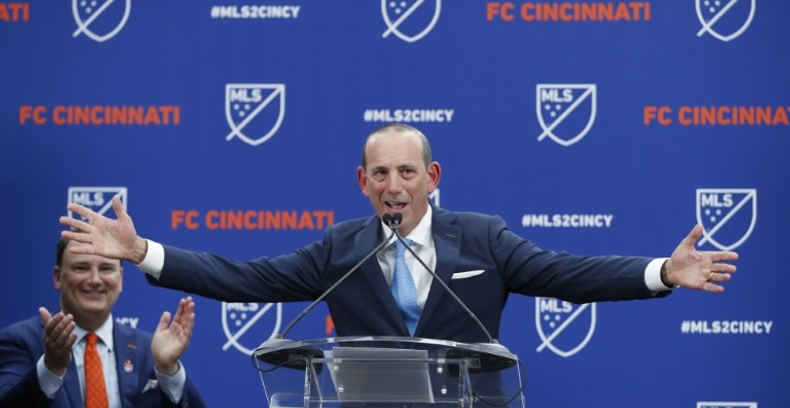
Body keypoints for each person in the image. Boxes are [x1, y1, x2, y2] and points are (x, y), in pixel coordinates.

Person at [57, 124, 737, 344]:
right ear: (362, 183)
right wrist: (141, 252)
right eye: (379, 173)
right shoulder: (339, 249)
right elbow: (246, 282)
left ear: (431, 176)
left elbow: (566, 274)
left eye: (406, 172)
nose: (394, 185)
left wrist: (660, 272)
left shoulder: (485, 238)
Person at [0, 235, 206, 408]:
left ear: (121, 279)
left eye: (106, 268)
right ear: (57, 277)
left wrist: (168, 370)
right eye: (81, 268)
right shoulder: (20, 341)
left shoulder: (148, 350)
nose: (95, 279)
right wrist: (50, 368)